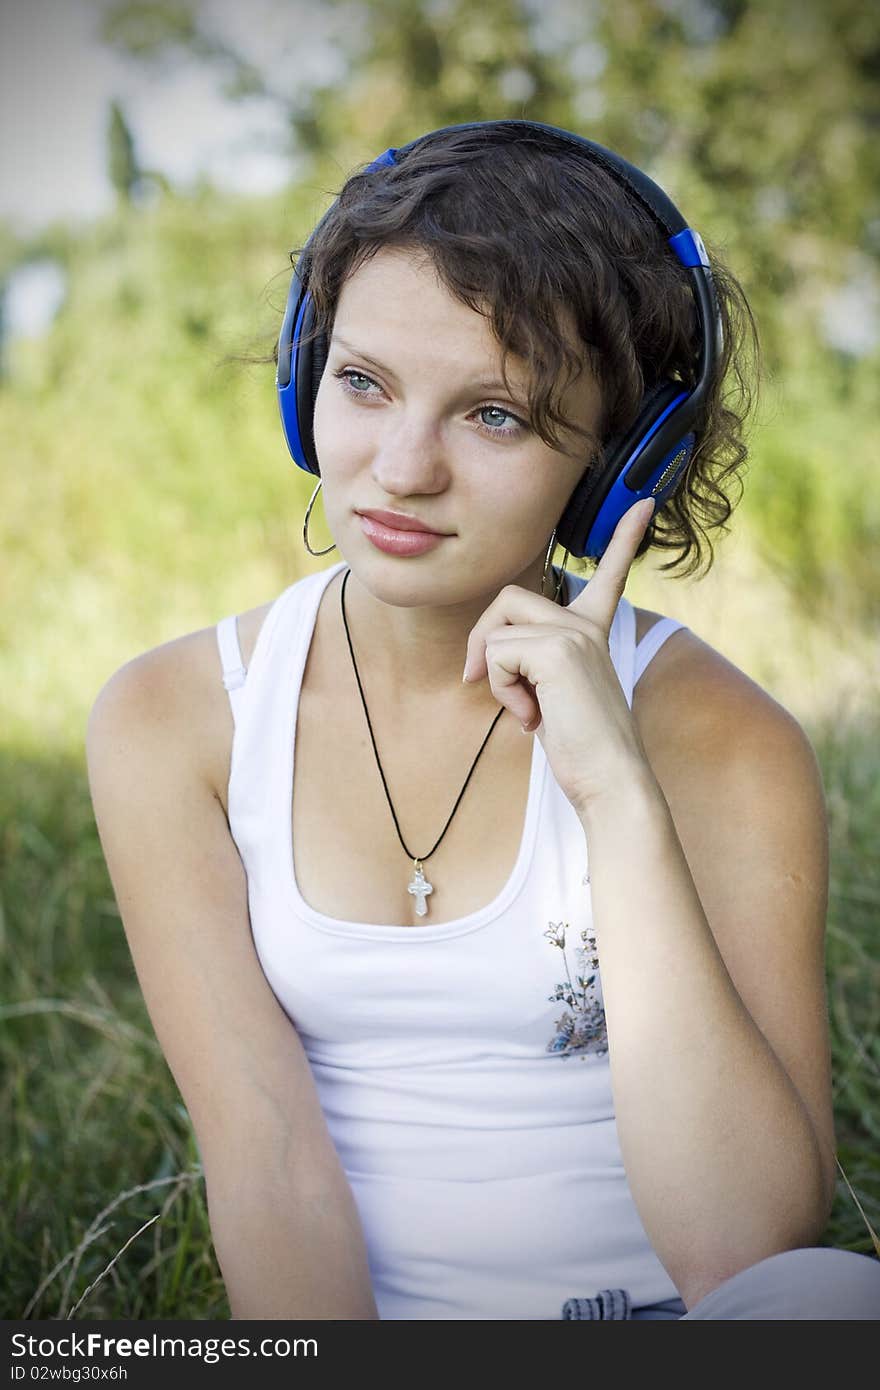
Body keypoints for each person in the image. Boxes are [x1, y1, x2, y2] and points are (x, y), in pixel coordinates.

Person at [86, 119, 880, 1321]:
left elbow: (749, 1247)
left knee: (832, 1300)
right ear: (308, 380)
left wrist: (617, 794)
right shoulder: (171, 721)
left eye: (493, 415)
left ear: (620, 463)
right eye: (363, 383)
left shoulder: (726, 738)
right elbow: (269, 1165)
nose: (401, 468)